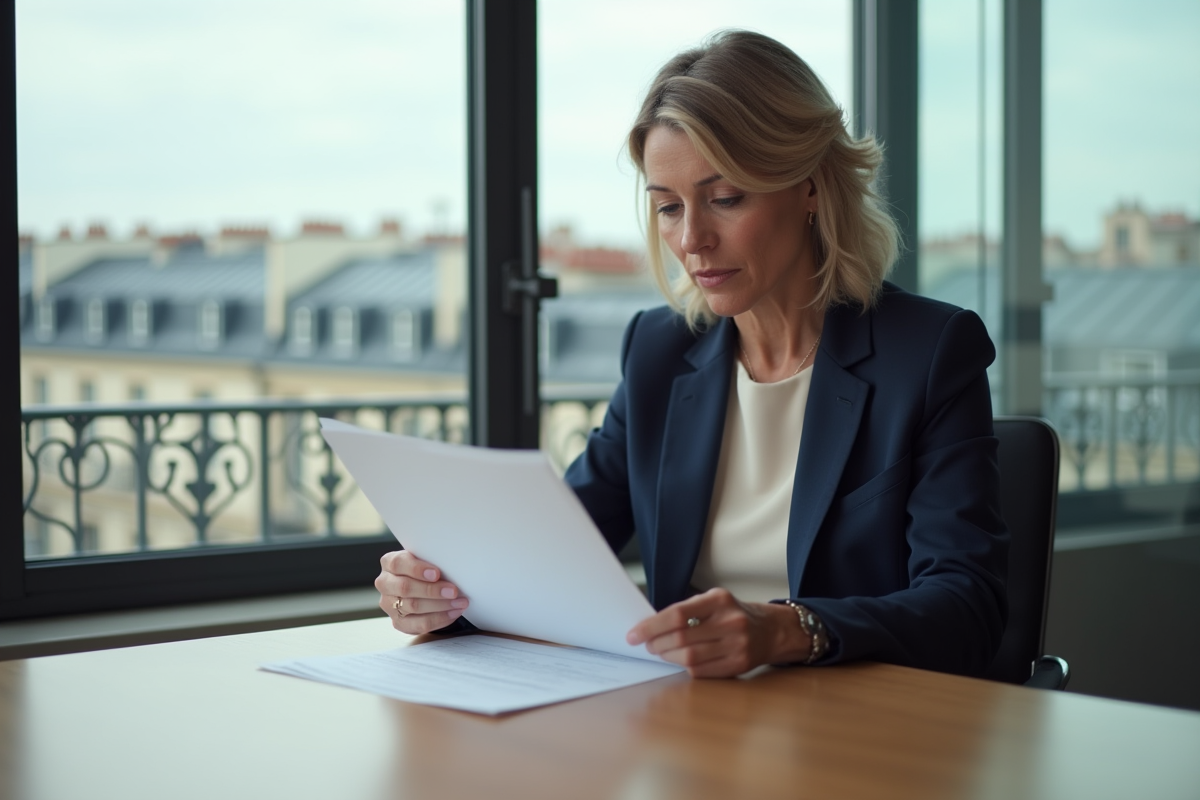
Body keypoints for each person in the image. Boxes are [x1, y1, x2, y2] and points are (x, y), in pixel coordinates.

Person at [375, 30, 1008, 679]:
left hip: (857, 730)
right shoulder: (659, 351)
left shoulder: (928, 353)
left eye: (726, 198)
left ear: (811, 186)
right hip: (690, 722)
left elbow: (969, 608)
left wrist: (791, 629)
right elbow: (547, 561)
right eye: (669, 207)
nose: (692, 239)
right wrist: (441, 594)